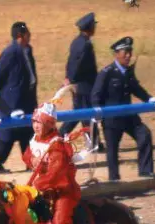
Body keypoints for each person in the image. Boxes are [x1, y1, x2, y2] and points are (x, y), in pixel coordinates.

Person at [91, 37, 155, 181]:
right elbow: (96, 94)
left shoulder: (128, 72)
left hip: (128, 116)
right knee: (112, 150)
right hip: (112, 118)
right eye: (125, 52)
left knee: (144, 134)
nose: (128, 56)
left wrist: (149, 98)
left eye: (130, 52)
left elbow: (136, 88)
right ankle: (114, 181)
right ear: (117, 54)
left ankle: (145, 172)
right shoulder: (107, 72)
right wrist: (97, 112)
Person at [22, 103, 81, 224]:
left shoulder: (57, 145)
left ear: (49, 124)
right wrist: (33, 160)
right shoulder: (35, 139)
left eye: (40, 122)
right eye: (34, 121)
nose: (36, 126)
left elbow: (55, 173)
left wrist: (37, 186)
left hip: (63, 190)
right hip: (45, 188)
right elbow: (26, 155)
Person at [0, 21, 38, 173]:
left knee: (28, 134)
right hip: (13, 102)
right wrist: (8, 95)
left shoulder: (28, 50)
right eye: (27, 33)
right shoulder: (10, 52)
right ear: (20, 35)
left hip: (27, 101)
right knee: (7, 137)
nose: (30, 35)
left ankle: (31, 164)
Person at [59, 12, 102, 151]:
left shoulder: (77, 42)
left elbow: (70, 62)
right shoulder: (85, 45)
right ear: (89, 27)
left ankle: (94, 142)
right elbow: (77, 65)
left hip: (79, 84)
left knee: (82, 113)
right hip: (84, 86)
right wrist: (71, 80)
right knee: (85, 114)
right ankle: (60, 136)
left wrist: (68, 78)